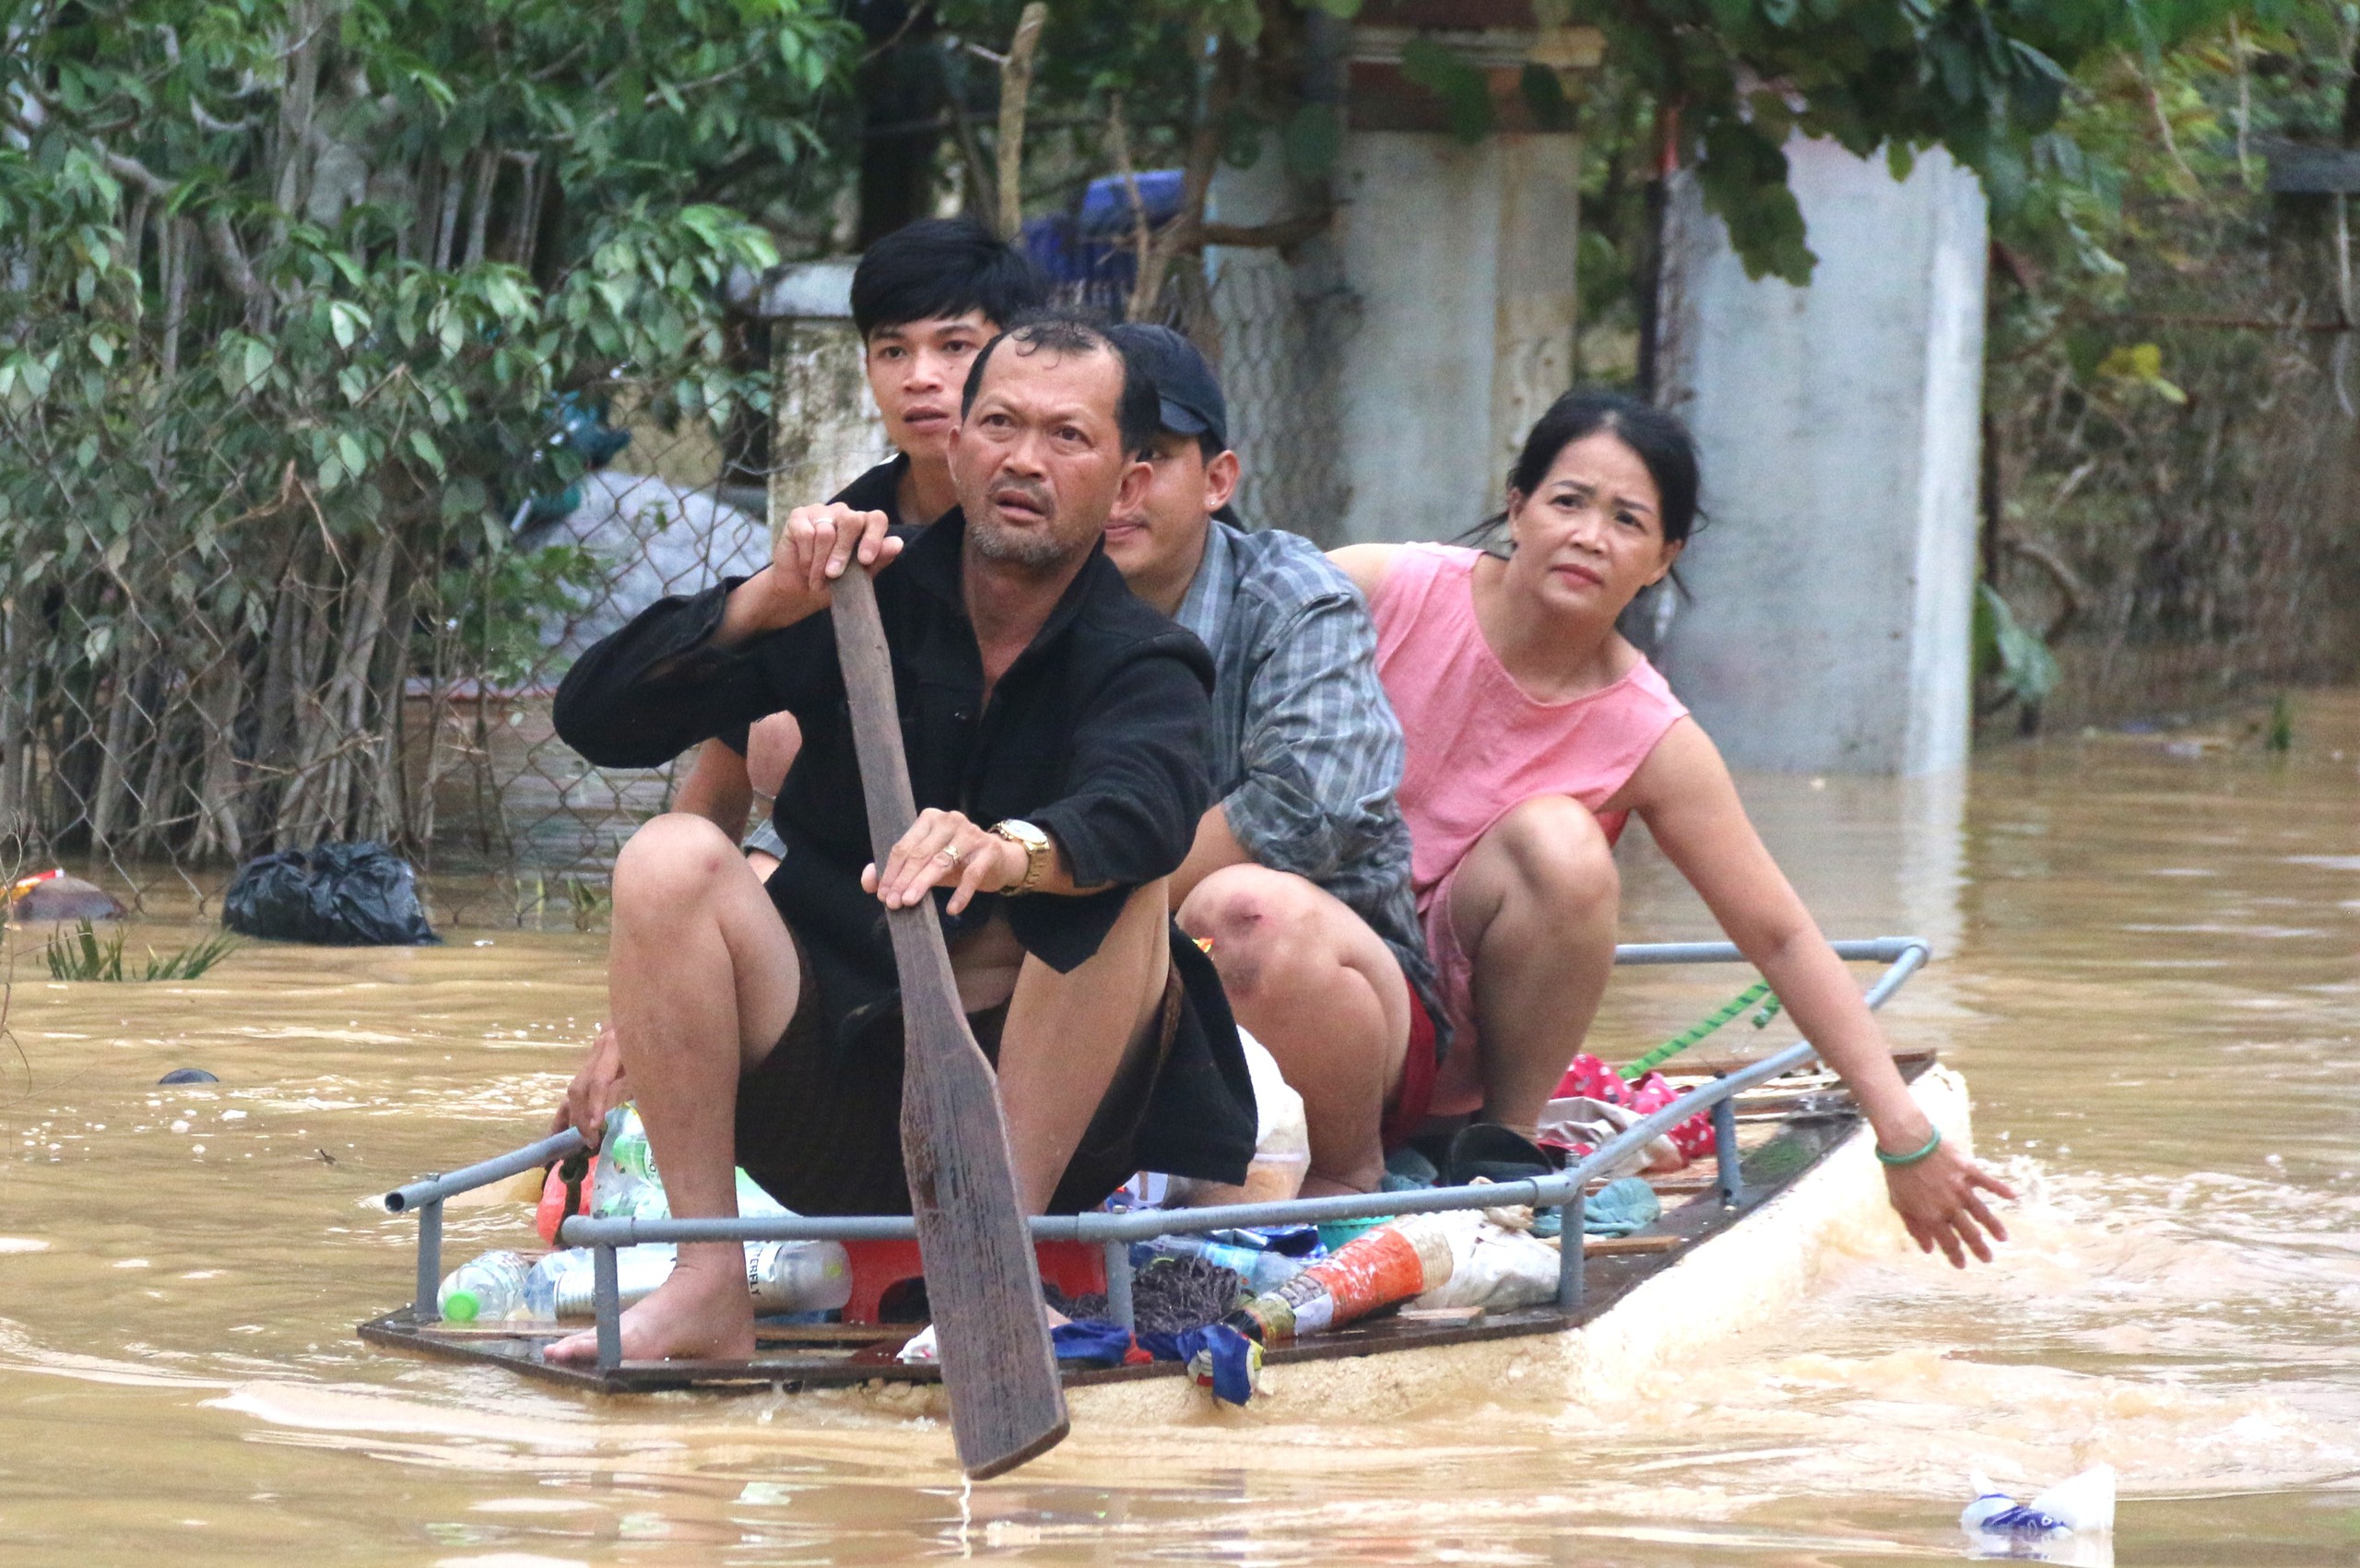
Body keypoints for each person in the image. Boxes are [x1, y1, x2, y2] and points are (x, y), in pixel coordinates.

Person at [545, 315, 1257, 1362]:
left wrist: (1014, 851)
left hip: (1047, 1126)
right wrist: (761, 603)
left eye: (1067, 437)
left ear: (1128, 484)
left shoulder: (1143, 657)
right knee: (667, 859)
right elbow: (596, 721)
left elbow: (1145, 803)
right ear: (957, 449)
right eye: (999, 425)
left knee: (1125, 879)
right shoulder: (853, 598)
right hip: (826, 1090)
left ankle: (992, 1271)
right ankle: (706, 1281)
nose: (1023, 459)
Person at [1330, 390, 2015, 1267]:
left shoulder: (1649, 731)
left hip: (1441, 1053)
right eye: (1568, 501)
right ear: (1517, 506)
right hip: (1304, 980)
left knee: (1561, 842)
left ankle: (1498, 1149)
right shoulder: (1375, 587)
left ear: (1663, 558)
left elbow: (1779, 932)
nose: (1589, 536)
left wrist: (1903, 1133)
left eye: (1627, 520)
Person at [1099, 324, 1439, 1197]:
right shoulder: (1017, 592)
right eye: (1096, 449)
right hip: (1097, 974)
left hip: (1332, 997)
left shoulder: (1294, 595)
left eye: (1154, 457)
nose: (1120, 490)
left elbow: (1306, 808)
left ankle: (1341, 1180)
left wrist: (1069, 901)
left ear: (1218, 480)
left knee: (1244, 917)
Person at [673, 217, 1049, 865]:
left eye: (954, 347)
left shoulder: (1067, 518)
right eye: (893, 351)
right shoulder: (844, 530)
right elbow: (713, 797)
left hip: (1048, 864)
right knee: (768, 740)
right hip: (864, 877)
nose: (920, 377)